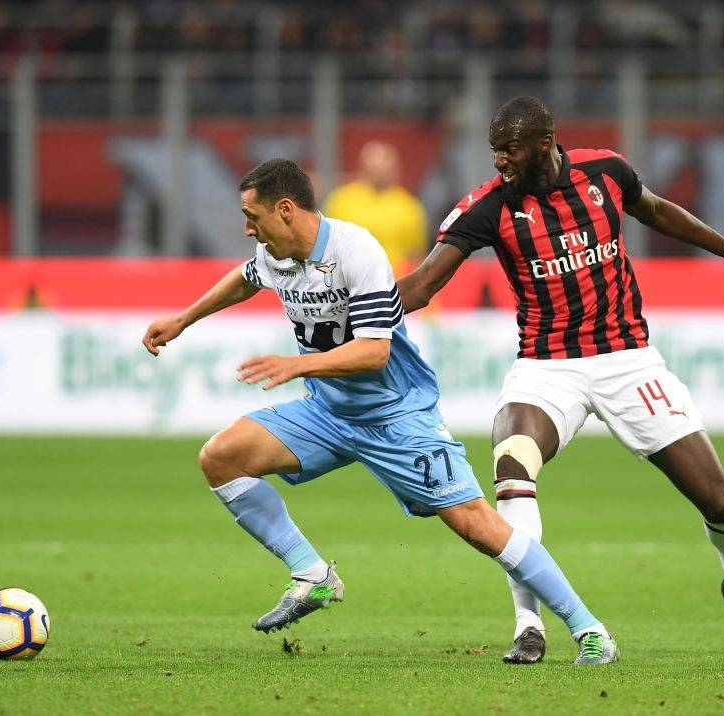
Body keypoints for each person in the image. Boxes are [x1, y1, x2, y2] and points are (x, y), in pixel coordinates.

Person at [142, 158, 620, 664]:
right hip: (328, 413)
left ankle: (589, 628)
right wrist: (183, 319)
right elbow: (245, 277)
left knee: (477, 525)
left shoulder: (355, 251)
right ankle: (311, 574)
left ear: (285, 210)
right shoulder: (274, 251)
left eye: (252, 215)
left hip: (397, 415)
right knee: (222, 457)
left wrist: (297, 366)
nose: (247, 227)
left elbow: (375, 352)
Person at [397, 96, 724, 664]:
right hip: (545, 366)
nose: (500, 162)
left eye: (509, 150)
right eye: (494, 152)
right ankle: (528, 625)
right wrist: (354, 317)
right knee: (512, 465)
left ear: (543, 142)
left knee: (719, 502)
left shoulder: (604, 172)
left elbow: (657, 210)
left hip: (629, 361)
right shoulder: (488, 208)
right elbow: (423, 284)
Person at [322, 140, 429, 273]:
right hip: (350, 281)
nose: (379, 172)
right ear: (363, 167)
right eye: (374, 167)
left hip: (395, 282)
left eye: (384, 167)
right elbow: (326, 246)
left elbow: (416, 255)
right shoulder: (341, 199)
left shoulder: (408, 206)